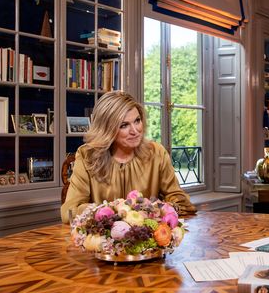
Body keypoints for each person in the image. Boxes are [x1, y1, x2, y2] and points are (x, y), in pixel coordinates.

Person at [60, 91, 196, 223]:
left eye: (137, 121)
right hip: (102, 238)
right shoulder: (87, 156)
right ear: (107, 129)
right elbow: (69, 212)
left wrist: (157, 209)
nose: (135, 131)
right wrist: (111, 211)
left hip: (148, 236)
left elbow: (181, 202)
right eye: (124, 125)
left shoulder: (156, 153)